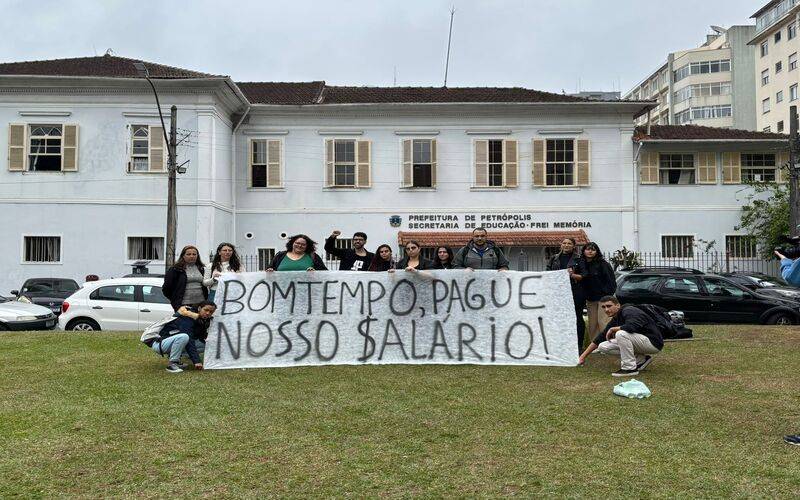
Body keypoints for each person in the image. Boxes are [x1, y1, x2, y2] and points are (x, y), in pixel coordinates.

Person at [578, 295, 663, 377]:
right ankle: (641, 359)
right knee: (603, 346)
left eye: (609, 306)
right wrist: (582, 356)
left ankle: (629, 369)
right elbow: (600, 337)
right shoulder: (616, 318)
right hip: (641, 342)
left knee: (621, 333)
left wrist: (613, 329)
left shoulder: (629, 310)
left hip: (653, 343)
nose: (606, 309)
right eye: (603, 307)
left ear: (618, 305)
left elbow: (632, 326)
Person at [141, 300, 217, 373]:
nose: (208, 313)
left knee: (205, 344)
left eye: (211, 312)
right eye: (206, 310)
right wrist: (196, 361)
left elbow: (200, 337)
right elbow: (189, 339)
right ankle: (172, 364)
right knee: (184, 337)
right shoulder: (187, 317)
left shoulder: (202, 320)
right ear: (200, 308)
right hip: (158, 343)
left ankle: (177, 359)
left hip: (170, 341)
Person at [547, 237, 587, 350]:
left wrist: (572, 275)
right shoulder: (554, 258)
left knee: (577, 317)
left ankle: (578, 345)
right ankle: (561, 343)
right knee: (559, 318)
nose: (566, 245)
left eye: (569, 243)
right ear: (561, 245)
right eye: (564, 243)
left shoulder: (579, 259)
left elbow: (584, 276)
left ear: (574, 246)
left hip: (575, 292)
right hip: (558, 292)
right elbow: (548, 273)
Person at [579, 241, 616, 342]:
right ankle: (595, 344)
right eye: (588, 249)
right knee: (592, 323)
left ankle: (607, 343)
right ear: (584, 251)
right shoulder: (581, 264)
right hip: (590, 298)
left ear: (597, 251)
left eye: (593, 249)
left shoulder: (603, 264)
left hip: (603, 298)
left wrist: (608, 295)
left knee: (603, 321)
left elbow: (611, 281)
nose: (590, 251)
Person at [162, 245, 208, 311]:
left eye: (194, 254)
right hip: (183, 305)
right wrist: (175, 300)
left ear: (197, 256)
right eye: (188, 254)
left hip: (201, 304)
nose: (192, 256)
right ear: (183, 256)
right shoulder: (175, 269)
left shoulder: (201, 268)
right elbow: (166, 288)